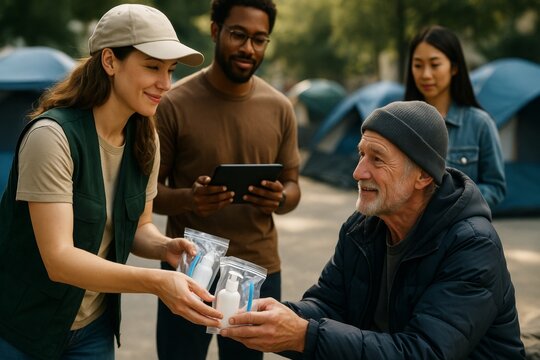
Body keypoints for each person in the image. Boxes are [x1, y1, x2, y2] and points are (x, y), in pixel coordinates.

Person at [0, 4, 223, 360]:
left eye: (170, 70)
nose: (165, 84)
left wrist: (164, 247)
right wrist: (156, 282)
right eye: (152, 67)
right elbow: (59, 260)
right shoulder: (52, 137)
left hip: (93, 332)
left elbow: (139, 225)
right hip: (22, 330)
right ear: (109, 61)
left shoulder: (145, 138)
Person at [220, 101, 526, 359]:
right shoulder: (362, 228)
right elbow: (329, 304)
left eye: (377, 159)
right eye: (361, 154)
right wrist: (279, 317)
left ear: (422, 176)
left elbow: (424, 352)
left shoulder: (472, 246)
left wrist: (303, 335)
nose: (358, 172)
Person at [153, 0, 301, 359]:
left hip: (256, 270)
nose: (249, 48)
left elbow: (294, 186)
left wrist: (279, 199)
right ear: (215, 30)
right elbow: (147, 194)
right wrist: (190, 199)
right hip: (189, 271)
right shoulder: (173, 102)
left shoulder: (280, 107)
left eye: (260, 39)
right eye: (239, 35)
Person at [404, 25, 506, 209]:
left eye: (435, 65)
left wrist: (454, 201)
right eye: (418, 65)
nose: (426, 74)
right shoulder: (401, 122)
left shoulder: (480, 124)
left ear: (454, 68)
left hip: (461, 232)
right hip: (410, 234)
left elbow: (495, 187)